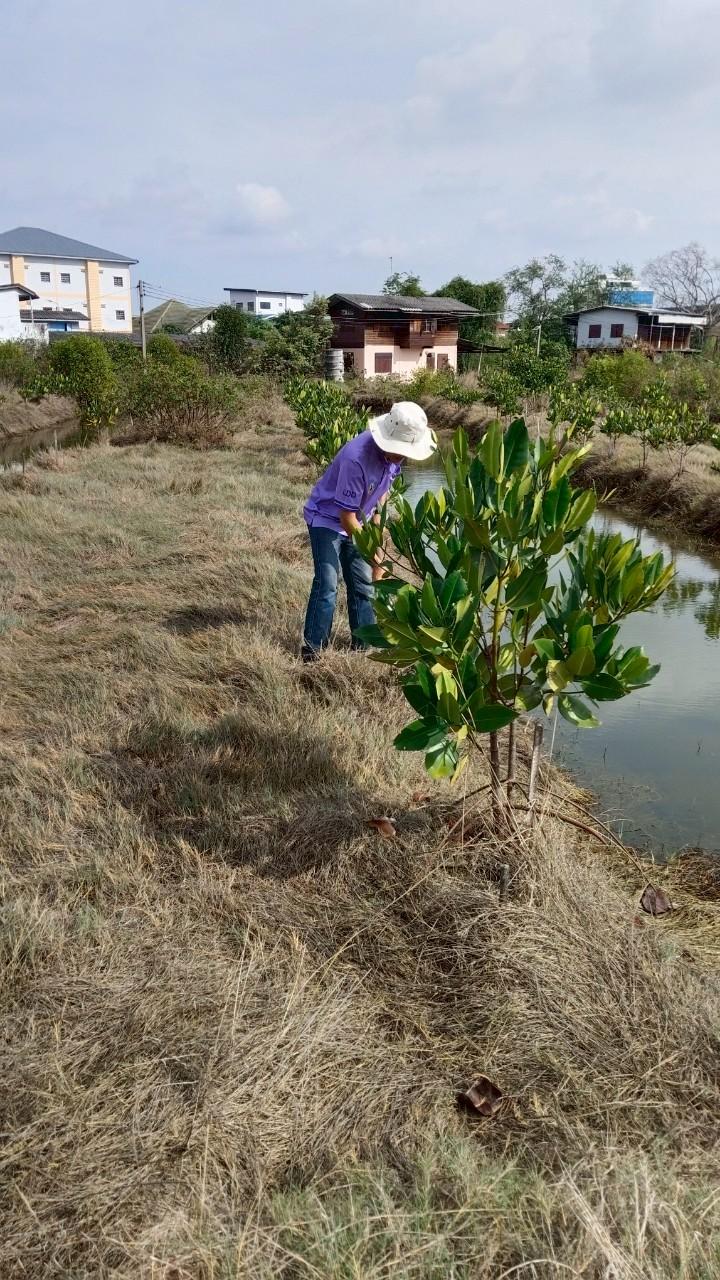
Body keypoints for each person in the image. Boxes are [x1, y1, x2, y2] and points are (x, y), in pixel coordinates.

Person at [301, 400, 437, 662]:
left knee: (363, 583)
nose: (401, 457)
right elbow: (346, 516)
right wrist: (372, 554)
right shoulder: (357, 458)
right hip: (326, 519)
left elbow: (381, 499)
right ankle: (312, 652)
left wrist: (378, 546)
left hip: (358, 520)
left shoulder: (395, 457)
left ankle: (363, 647)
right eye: (399, 452)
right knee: (328, 583)